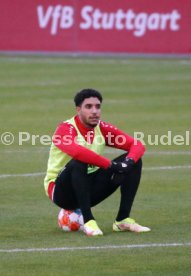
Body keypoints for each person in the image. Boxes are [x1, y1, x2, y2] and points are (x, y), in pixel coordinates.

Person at [44, 88, 151, 236]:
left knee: (134, 162)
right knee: (79, 162)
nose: (95, 111)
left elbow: (137, 145)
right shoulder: (65, 129)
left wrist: (128, 162)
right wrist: (112, 165)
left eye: (98, 106)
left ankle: (122, 220)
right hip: (61, 192)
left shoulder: (102, 128)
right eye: (88, 107)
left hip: (89, 188)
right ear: (78, 110)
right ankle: (89, 221)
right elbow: (77, 152)